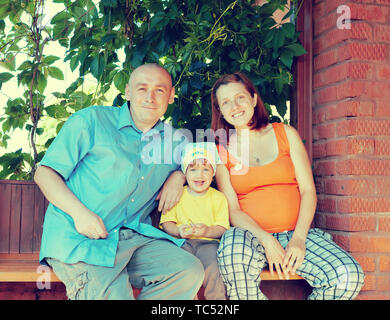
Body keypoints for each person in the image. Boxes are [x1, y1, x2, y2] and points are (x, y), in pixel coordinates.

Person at [34, 63, 204, 300]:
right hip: (80, 239)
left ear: (171, 95)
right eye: (142, 88)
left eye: (159, 90)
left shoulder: (175, 142)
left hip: (132, 239)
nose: (150, 97)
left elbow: (201, 161)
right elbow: (44, 173)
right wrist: (79, 213)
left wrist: (180, 175)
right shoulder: (91, 121)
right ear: (128, 91)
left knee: (187, 270)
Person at [210, 72, 365, 300]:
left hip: (297, 234)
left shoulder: (286, 134)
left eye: (240, 97)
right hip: (251, 238)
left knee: (348, 275)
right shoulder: (220, 150)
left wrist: (299, 239)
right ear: (220, 111)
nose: (234, 106)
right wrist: (266, 239)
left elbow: (308, 191)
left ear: (253, 99)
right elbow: (233, 210)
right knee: (232, 248)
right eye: (225, 102)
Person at [160, 142, 230, 300]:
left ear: (213, 174)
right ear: (185, 173)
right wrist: (178, 231)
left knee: (215, 267)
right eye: (193, 169)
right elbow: (167, 223)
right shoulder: (177, 195)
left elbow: (222, 228)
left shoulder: (218, 198)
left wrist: (207, 231)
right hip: (182, 243)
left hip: (208, 244)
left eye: (206, 169)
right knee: (183, 269)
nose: (200, 175)